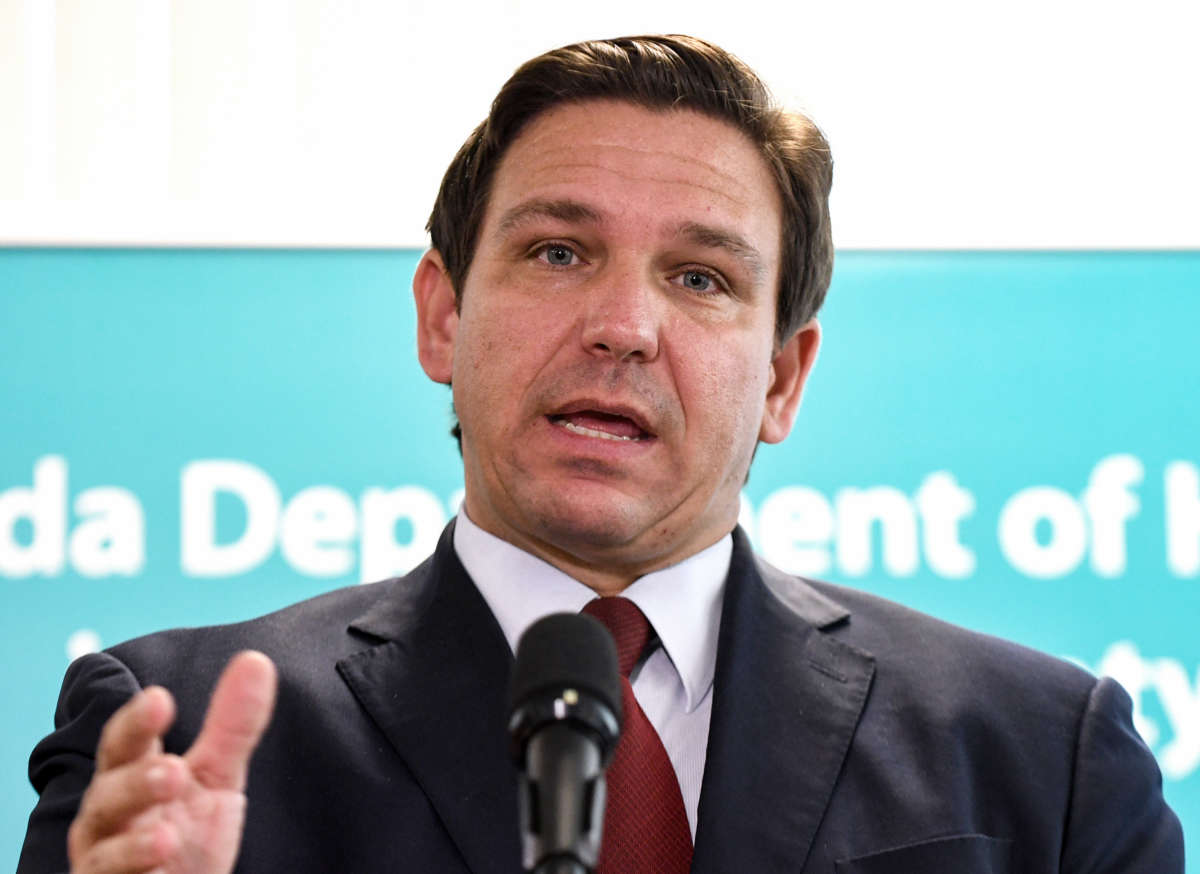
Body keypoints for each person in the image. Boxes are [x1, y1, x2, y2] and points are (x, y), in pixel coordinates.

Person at [18, 34, 1183, 874]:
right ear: (442, 316)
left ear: (782, 377)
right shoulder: (178, 735)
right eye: (559, 252)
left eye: (701, 278)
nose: (623, 324)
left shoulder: (1042, 752)